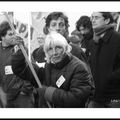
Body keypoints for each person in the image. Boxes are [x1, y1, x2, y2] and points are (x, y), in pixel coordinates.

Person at [11, 31, 94, 108]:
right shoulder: (49, 66)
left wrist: (47, 92)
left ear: (66, 48)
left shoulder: (78, 67)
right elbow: (22, 70)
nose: (54, 52)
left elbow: (77, 98)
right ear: (46, 52)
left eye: (58, 47)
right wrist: (20, 50)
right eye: (50, 49)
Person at [88, 12, 120, 108]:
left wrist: (110, 78)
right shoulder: (92, 42)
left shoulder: (117, 39)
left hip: (114, 97)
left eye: (96, 17)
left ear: (107, 20)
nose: (93, 20)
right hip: (95, 96)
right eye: (92, 17)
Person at [0, 21, 34, 108]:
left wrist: (25, 90)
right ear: (2, 37)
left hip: (23, 95)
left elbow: (32, 68)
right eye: (10, 34)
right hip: (6, 95)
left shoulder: (21, 48)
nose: (14, 36)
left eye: (15, 33)